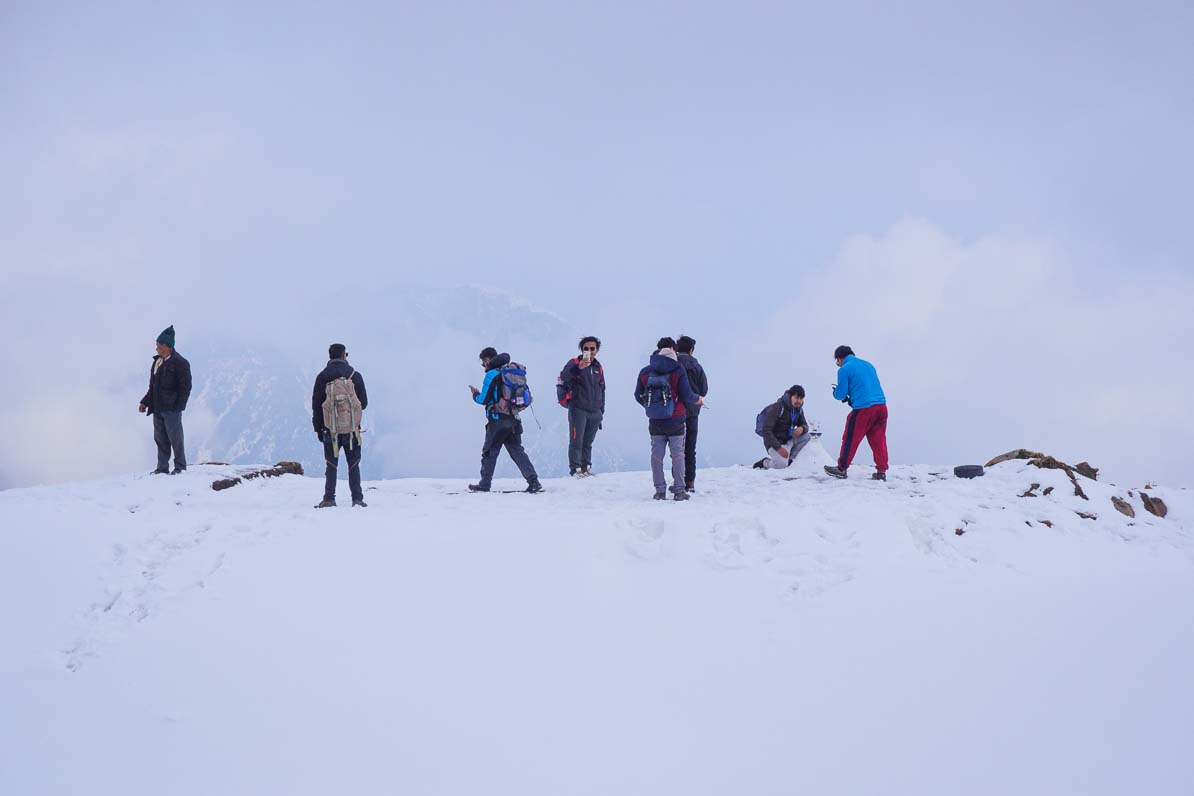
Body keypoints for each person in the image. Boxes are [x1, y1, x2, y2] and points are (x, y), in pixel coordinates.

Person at [634, 337, 702, 501]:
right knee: (678, 455)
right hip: (676, 419)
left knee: (656, 456)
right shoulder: (678, 369)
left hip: (655, 421)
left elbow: (637, 395)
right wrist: (697, 399)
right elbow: (686, 394)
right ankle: (679, 490)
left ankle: (659, 491)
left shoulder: (645, 371)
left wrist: (651, 407)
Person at [469, 347, 543, 493]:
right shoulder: (509, 372)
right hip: (514, 419)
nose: (484, 366)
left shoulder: (492, 374)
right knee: (517, 451)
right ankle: (533, 481)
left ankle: (484, 484)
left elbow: (483, 399)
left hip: (497, 421)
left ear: (487, 360)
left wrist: (475, 394)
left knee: (490, 452)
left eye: (484, 363)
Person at [312, 343, 369, 508]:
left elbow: (316, 406)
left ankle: (329, 498)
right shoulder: (354, 375)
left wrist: (318, 429)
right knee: (353, 464)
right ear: (344, 355)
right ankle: (357, 498)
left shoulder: (322, 377)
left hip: (330, 430)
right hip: (352, 430)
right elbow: (363, 403)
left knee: (331, 465)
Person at [824, 345, 888, 480]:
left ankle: (841, 468)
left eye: (837, 361)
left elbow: (840, 394)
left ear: (839, 358)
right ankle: (881, 471)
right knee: (879, 440)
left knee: (850, 438)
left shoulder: (844, 369)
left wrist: (836, 392)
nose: (838, 364)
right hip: (881, 407)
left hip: (864, 409)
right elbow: (866, 387)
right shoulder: (869, 365)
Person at [138, 325, 192, 475]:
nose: (156, 348)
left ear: (167, 346)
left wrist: (178, 407)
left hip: (171, 410)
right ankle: (162, 468)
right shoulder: (157, 363)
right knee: (160, 439)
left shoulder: (180, 363)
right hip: (157, 408)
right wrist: (145, 402)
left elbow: (185, 388)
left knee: (176, 439)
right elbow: (153, 387)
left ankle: (180, 467)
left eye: (158, 345)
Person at [557, 336, 606, 477]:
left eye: (592, 348)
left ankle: (586, 467)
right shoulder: (574, 363)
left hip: (595, 411)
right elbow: (564, 376)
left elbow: (602, 389)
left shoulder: (598, 367)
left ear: (597, 350)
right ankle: (575, 469)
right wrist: (578, 368)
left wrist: (601, 411)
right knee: (576, 441)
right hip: (578, 408)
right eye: (586, 348)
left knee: (588, 442)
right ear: (582, 349)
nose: (589, 351)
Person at [675, 335, 708, 491]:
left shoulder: (673, 364)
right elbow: (704, 390)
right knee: (690, 446)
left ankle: (678, 481)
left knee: (676, 447)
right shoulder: (697, 366)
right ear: (691, 350)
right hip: (694, 411)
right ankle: (690, 482)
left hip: (675, 411)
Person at [752, 386, 811, 470]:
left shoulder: (799, 410)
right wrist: (779, 448)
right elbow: (766, 430)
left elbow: (805, 425)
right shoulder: (777, 407)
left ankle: (790, 459)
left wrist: (802, 428)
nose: (799, 401)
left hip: (788, 440)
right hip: (774, 443)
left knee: (807, 436)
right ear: (790, 396)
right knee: (781, 465)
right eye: (796, 397)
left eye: (801, 398)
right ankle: (765, 463)